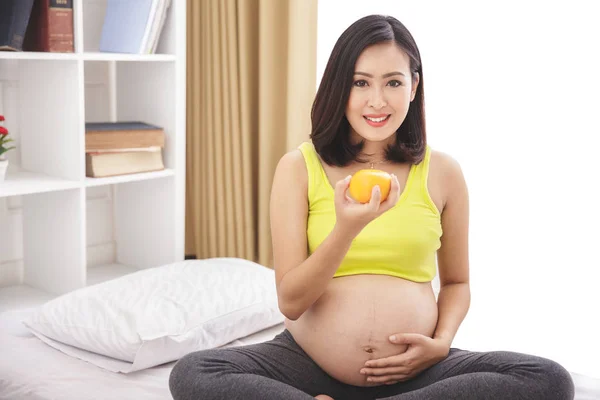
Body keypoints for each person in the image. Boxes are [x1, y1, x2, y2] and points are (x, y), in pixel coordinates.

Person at [169, 14, 575, 400]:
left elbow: (456, 284)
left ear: (414, 87)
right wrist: (345, 229)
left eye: (393, 83)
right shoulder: (299, 167)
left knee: (547, 379)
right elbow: (291, 302)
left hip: (416, 373)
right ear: (338, 88)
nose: (377, 101)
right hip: (307, 364)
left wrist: (441, 344)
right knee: (194, 373)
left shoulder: (443, 173)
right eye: (360, 82)